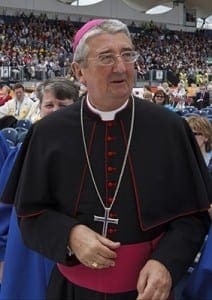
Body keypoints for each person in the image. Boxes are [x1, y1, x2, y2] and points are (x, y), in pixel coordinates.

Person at [9, 19, 212, 300]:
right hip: (70, 292)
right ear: (79, 71)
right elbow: (29, 215)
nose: (121, 66)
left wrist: (167, 262)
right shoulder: (47, 133)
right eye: (106, 57)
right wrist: (69, 234)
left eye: (127, 54)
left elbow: (194, 216)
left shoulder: (169, 128)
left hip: (147, 293)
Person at [0, 78, 79, 300]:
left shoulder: (90, 153)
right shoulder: (21, 154)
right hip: (26, 253)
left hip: (70, 251)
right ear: (40, 107)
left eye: (63, 105)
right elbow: (4, 209)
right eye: (49, 105)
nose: (55, 111)